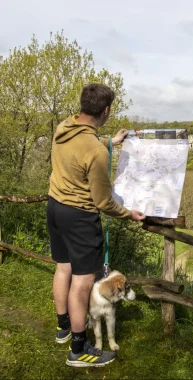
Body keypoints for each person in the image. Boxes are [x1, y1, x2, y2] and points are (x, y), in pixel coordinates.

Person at [47, 83, 145, 368]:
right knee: (82, 282)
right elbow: (104, 203)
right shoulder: (95, 152)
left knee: (63, 267)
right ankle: (79, 349)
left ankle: (63, 328)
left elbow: (85, 146)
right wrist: (129, 214)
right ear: (106, 110)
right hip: (79, 217)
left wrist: (111, 142)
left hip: (55, 207)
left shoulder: (65, 126)